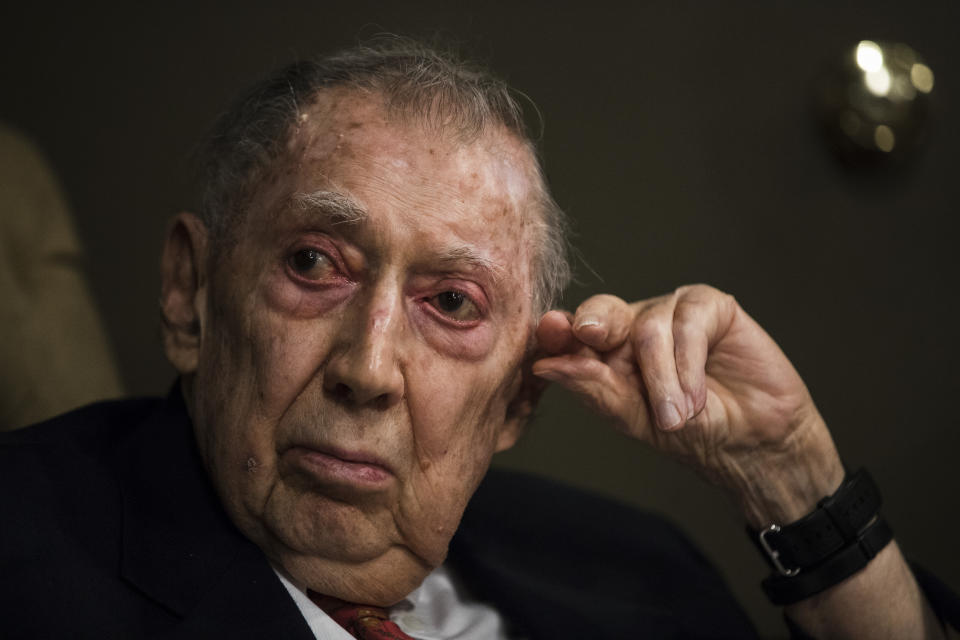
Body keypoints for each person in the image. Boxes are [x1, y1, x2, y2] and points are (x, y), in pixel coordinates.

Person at [1, 39, 957, 639]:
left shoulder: (639, 573)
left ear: (520, 398)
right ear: (190, 295)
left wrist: (793, 485)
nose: (369, 368)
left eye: (452, 303)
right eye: (315, 265)